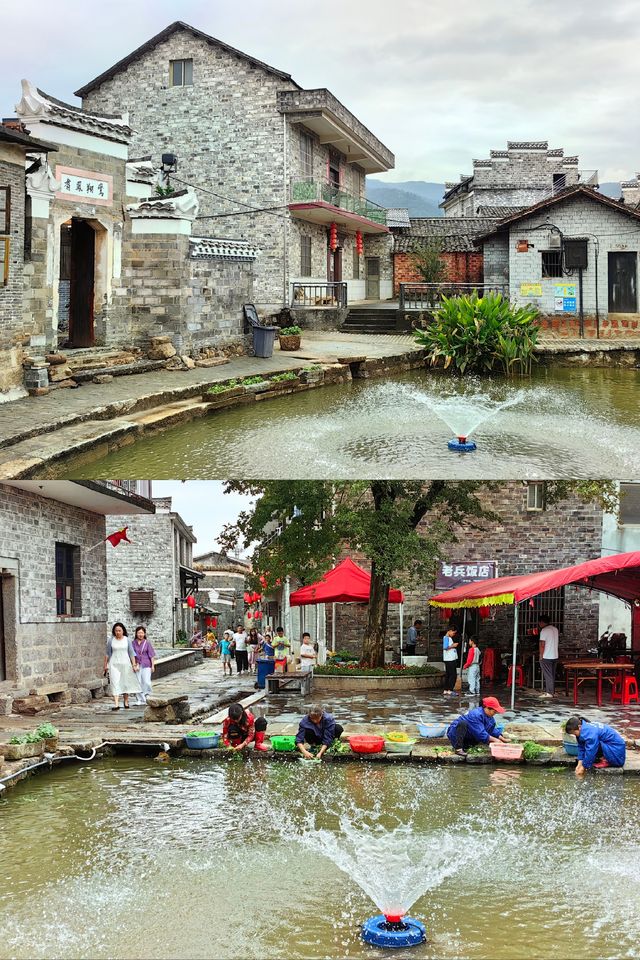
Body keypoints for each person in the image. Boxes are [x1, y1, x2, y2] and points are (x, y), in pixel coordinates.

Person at [104, 622, 141, 711]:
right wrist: (105, 665)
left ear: (123, 631)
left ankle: (126, 701)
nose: (118, 632)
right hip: (114, 664)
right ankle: (116, 704)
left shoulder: (127, 640)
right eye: (116, 631)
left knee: (125, 683)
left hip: (125, 664)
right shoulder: (111, 640)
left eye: (119, 630)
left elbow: (131, 653)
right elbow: (107, 654)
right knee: (115, 682)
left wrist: (134, 664)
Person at [132, 625, 156, 706]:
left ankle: (147, 695)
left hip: (146, 664)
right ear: (136, 633)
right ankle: (139, 699)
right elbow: (132, 655)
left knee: (146, 682)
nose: (140, 634)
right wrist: (134, 664)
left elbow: (151, 655)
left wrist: (153, 665)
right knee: (138, 682)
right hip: (137, 665)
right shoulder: (133, 643)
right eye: (139, 633)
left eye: (142, 633)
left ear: (144, 634)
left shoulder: (147, 643)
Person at [539, 615, 559, 697]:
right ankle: (552, 691)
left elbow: (542, 644)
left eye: (539, 622)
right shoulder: (555, 629)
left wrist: (541, 655)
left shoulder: (544, 630)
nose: (539, 624)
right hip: (555, 655)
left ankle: (549, 693)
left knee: (548, 675)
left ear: (542, 622)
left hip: (546, 656)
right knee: (552, 675)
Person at [442, 627, 459, 696]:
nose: (453, 634)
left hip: (448, 659)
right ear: (449, 631)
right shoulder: (446, 637)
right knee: (453, 675)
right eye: (453, 632)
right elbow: (445, 647)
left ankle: (446, 689)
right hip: (450, 659)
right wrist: (453, 646)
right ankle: (450, 690)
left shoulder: (447, 638)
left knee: (448, 674)